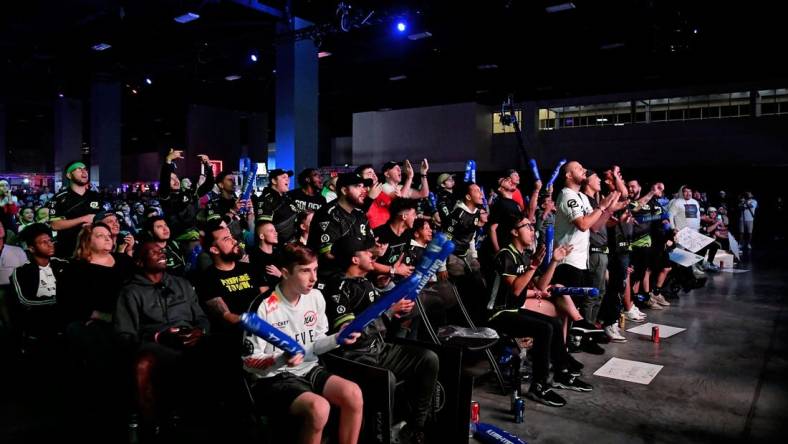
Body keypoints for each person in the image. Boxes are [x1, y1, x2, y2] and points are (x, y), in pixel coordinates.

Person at [242, 243, 363, 444]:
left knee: (353, 394)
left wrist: (337, 338)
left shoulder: (315, 297)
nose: (314, 278)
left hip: (309, 368)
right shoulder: (263, 307)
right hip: (273, 379)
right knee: (319, 408)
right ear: (285, 273)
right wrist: (281, 359)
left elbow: (315, 345)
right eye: (305, 271)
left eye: (315, 269)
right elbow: (249, 363)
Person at [324, 235, 439, 443]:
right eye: (367, 252)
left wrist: (398, 311)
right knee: (387, 379)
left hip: (379, 348)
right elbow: (349, 333)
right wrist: (388, 313)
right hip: (355, 357)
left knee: (429, 358)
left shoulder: (365, 282)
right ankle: (380, 437)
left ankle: (415, 428)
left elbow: (383, 318)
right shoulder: (338, 288)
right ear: (354, 259)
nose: (372, 255)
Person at [488, 216, 590, 407]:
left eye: (531, 226)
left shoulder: (524, 255)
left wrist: (553, 261)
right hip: (498, 313)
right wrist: (533, 266)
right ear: (514, 231)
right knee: (544, 328)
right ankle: (539, 385)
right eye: (527, 226)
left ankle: (561, 373)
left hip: (515, 309)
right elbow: (517, 289)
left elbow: (541, 286)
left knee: (555, 323)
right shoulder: (505, 255)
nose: (532, 229)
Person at [115, 240, 211, 431]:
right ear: (140, 262)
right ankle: (151, 428)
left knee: (220, 349)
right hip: (155, 344)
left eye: (162, 251)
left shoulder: (182, 284)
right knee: (143, 364)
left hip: (189, 338)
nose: (162, 254)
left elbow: (201, 317)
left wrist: (200, 331)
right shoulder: (130, 292)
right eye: (154, 252)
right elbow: (125, 336)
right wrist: (159, 337)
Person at [308, 172, 376, 282]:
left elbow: (371, 245)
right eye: (358, 186)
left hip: (357, 276)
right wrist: (360, 255)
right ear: (344, 191)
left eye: (363, 186)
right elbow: (328, 255)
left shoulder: (360, 214)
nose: (364, 191)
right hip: (330, 279)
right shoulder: (327, 214)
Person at [11, 224, 67, 345]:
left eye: (50, 240)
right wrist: (57, 302)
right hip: (37, 324)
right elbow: (24, 300)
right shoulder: (21, 271)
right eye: (43, 242)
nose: (50, 244)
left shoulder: (63, 265)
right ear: (31, 248)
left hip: (64, 322)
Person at [47, 160, 102, 257]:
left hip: (94, 249)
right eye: (79, 169)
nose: (84, 172)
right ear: (69, 175)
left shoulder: (97, 196)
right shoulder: (58, 198)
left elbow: (106, 219)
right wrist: (83, 219)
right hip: (68, 250)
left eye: (85, 169)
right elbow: (55, 225)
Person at [158, 149, 215, 240]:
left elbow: (208, 185)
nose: (175, 180)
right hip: (179, 239)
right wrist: (168, 161)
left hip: (195, 235)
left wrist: (208, 166)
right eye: (171, 179)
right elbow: (164, 181)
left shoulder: (189, 194)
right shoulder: (165, 197)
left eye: (176, 178)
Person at [254, 168, 299, 243]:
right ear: (274, 181)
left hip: (294, 241)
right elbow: (265, 228)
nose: (288, 180)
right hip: (279, 247)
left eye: (288, 178)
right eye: (284, 177)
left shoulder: (288, 198)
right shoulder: (266, 199)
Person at [247, 220, 282, 296]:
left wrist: (280, 275)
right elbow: (263, 289)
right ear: (262, 236)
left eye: (275, 231)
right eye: (271, 231)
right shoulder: (254, 257)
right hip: (272, 302)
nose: (276, 233)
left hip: (285, 296)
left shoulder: (279, 253)